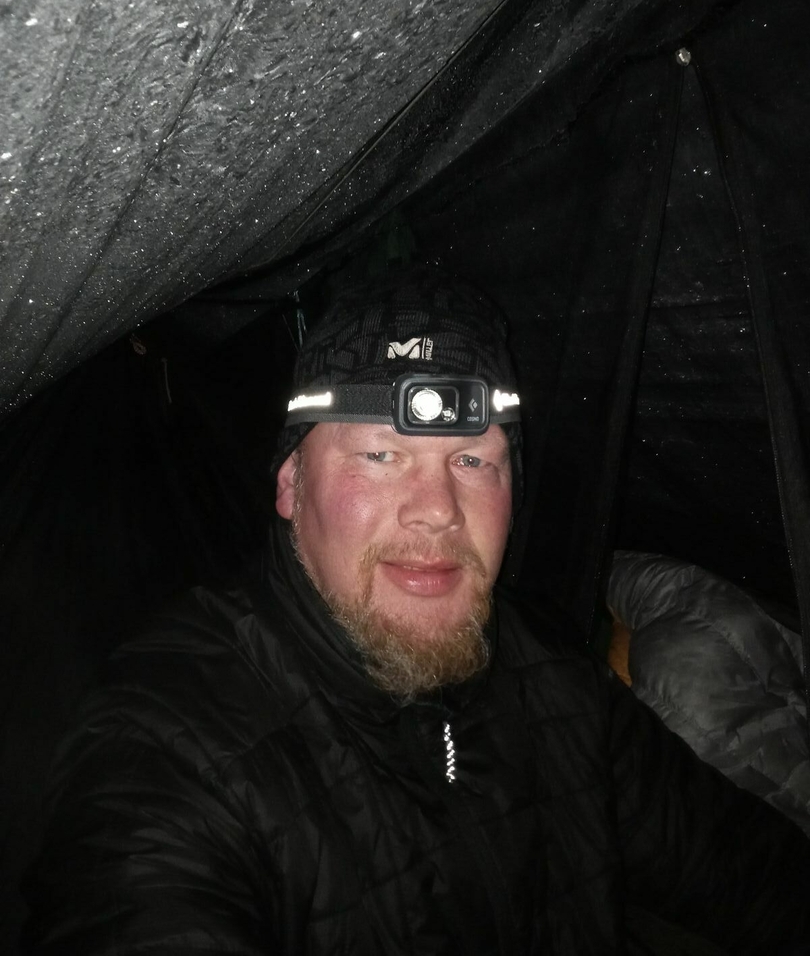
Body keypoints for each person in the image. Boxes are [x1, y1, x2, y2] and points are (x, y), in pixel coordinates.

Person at [23, 268, 810, 954]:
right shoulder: (170, 744)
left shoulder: (552, 675)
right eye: (381, 455)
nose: (437, 509)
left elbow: (749, 871)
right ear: (290, 485)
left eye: (471, 459)